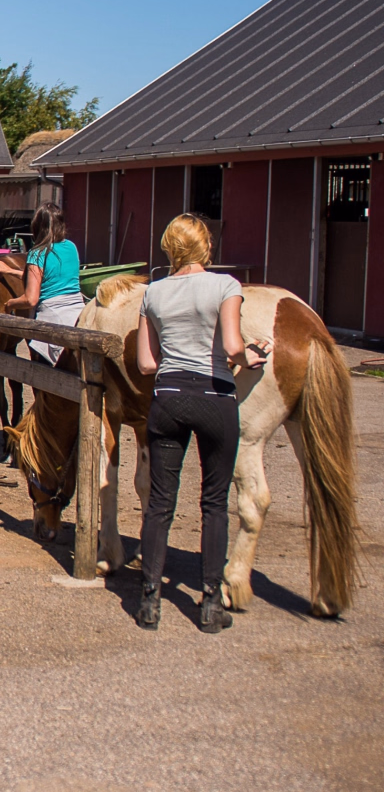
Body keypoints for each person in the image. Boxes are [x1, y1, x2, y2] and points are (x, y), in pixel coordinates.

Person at [134, 214, 269, 633]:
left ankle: (149, 600)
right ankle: (211, 603)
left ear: (170, 248)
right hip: (214, 397)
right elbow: (231, 345)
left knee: (160, 502)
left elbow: (145, 363)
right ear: (205, 246)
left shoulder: (153, 293)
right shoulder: (226, 286)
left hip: (169, 398)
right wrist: (255, 353)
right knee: (213, 503)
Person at [0, 202, 82, 363]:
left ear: (37, 227)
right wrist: (9, 271)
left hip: (53, 317)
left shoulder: (38, 253)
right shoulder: (71, 247)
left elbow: (30, 299)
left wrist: (9, 304)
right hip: (77, 311)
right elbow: (49, 278)